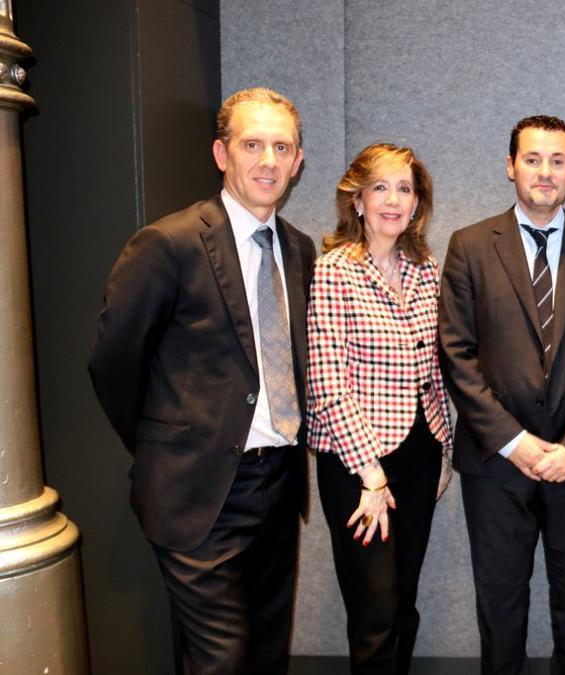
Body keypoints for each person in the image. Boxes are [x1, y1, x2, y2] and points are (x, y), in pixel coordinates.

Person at [88, 87, 315, 674]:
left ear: (297, 161)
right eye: (252, 144)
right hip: (199, 493)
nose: (268, 160)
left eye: (281, 146)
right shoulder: (168, 244)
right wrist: (169, 446)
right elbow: (113, 364)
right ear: (221, 154)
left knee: (266, 654)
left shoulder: (298, 249)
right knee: (222, 662)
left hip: (278, 482)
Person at [438, 114, 565, 675]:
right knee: (500, 605)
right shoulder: (470, 246)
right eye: (532, 159)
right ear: (510, 166)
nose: (545, 173)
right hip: (495, 465)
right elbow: (457, 354)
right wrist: (513, 442)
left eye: (557, 161)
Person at [305, 143, 454, 673]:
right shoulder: (334, 272)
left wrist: (444, 454)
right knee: (375, 611)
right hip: (356, 464)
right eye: (381, 187)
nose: (394, 199)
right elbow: (326, 384)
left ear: (417, 205)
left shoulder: (426, 269)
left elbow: (436, 372)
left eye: (405, 189)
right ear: (358, 199)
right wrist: (371, 476)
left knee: (404, 604)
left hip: (419, 450)